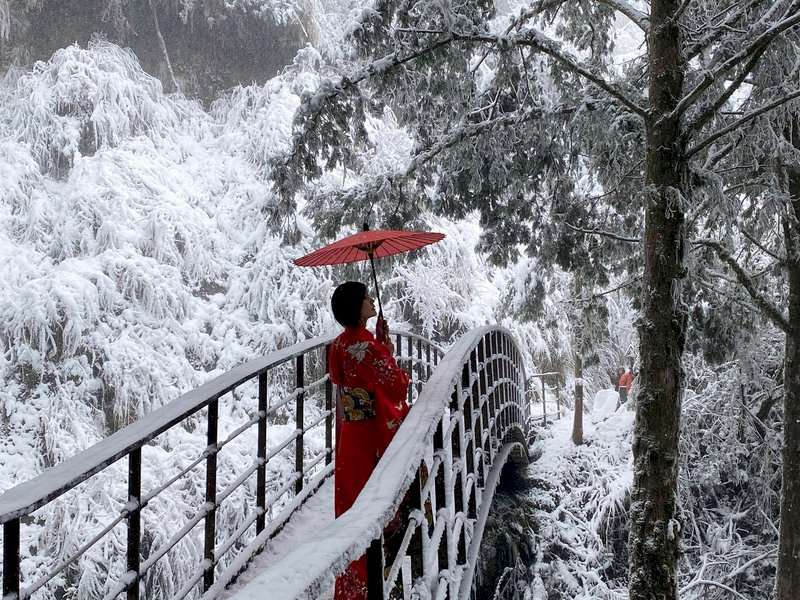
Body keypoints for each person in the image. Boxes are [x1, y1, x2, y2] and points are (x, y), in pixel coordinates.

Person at [328, 281, 411, 600]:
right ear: (356, 307)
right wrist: (385, 350)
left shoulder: (339, 344)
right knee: (373, 500)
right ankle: (373, 577)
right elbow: (397, 385)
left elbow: (339, 377)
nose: (372, 300)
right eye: (366, 298)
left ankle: (351, 583)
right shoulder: (369, 348)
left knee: (351, 502)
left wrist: (378, 344)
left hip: (351, 435)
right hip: (372, 435)